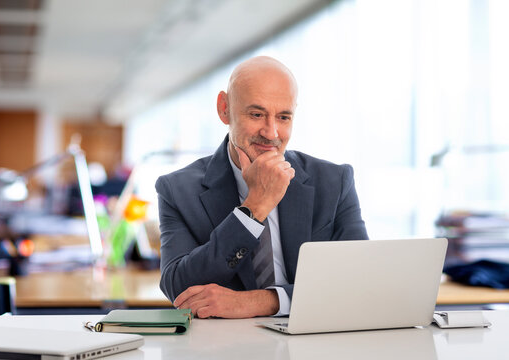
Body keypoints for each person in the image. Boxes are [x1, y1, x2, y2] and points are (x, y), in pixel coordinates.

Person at [156, 56, 368, 319]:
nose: (271, 133)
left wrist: (261, 302)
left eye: (283, 117)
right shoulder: (177, 189)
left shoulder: (334, 181)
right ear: (225, 109)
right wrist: (254, 208)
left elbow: (359, 281)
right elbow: (179, 288)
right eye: (257, 114)